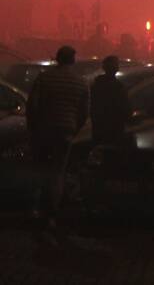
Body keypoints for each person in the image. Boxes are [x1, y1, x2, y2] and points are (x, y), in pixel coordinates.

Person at [26, 45, 89, 229]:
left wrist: (33, 128)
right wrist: (73, 129)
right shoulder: (81, 82)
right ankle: (51, 214)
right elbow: (84, 112)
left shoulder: (44, 78)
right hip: (65, 132)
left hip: (43, 130)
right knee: (58, 172)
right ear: (73, 60)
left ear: (57, 58)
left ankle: (36, 209)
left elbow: (33, 106)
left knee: (40, 169)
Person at [90, 55, 132, 145]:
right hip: (114, 130)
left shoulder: (96, 85)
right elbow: (125, 108)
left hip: (98, 128)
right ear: (116, 68)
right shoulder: (118, 87)